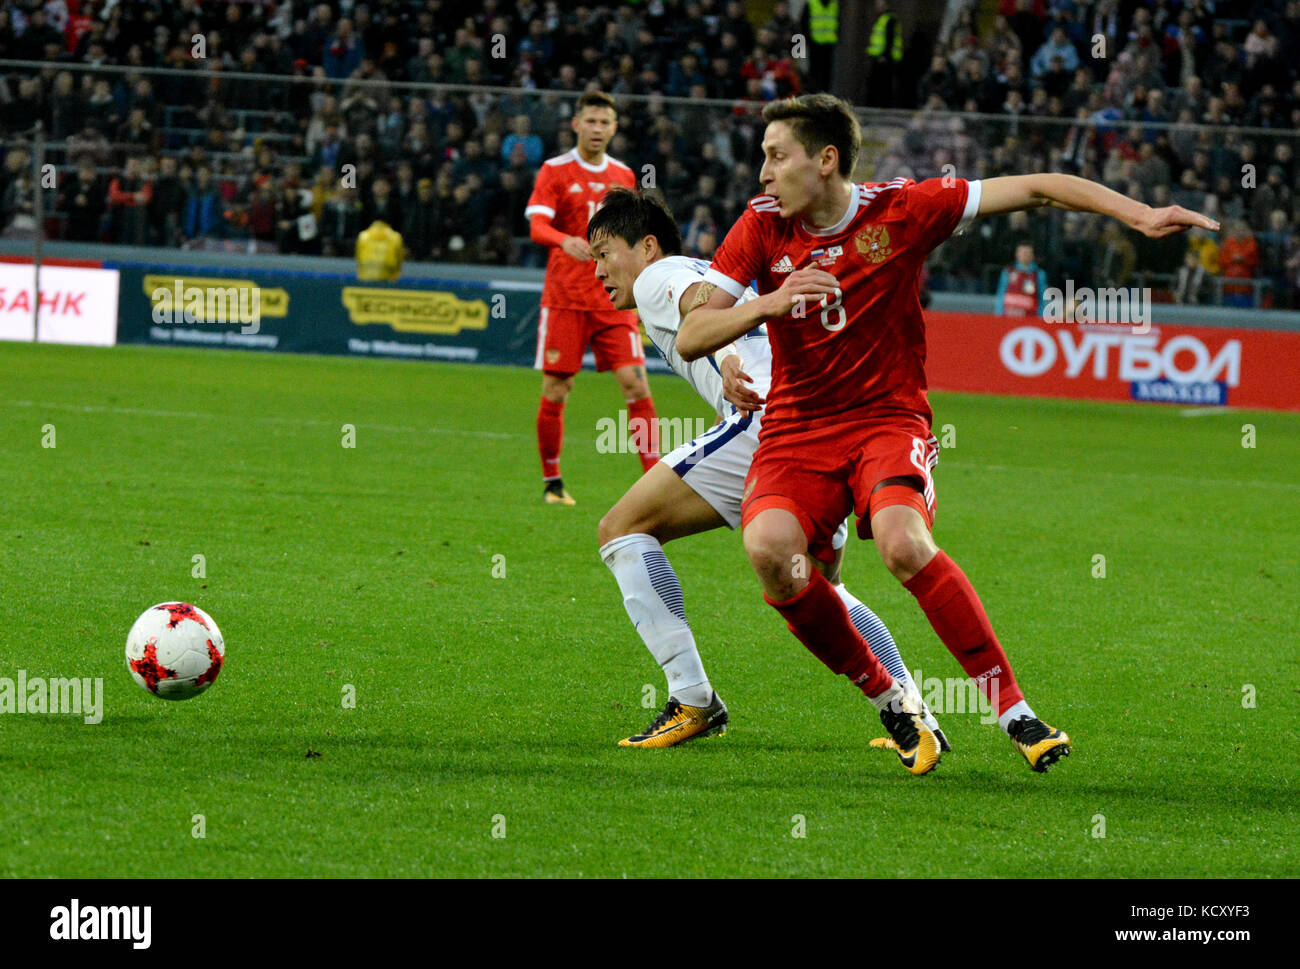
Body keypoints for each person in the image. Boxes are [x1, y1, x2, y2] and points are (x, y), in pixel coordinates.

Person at [677, 94, 1218, 775]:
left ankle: (1015, 711)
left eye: (775, 156)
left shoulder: (903, 208)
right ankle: (893, 699)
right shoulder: (760, 228)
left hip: (885, 418)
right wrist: (769, 302)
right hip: (797, 429)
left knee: (904, 543)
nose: (762, 173)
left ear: (825, 160)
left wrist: (1140, 215)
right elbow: (693, 333)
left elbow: (1039, 188)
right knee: (771, 553)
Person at [587, 187, 946, 750]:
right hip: (815, 426)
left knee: (621, 529)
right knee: (823, 586)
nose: (599, 270)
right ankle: (911, 709)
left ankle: (693, 698)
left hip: (763, 424)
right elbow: (713, 306)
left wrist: (727, 360)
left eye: (605, 252)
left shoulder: (661, 276)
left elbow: (698, 309)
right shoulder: (708, 268)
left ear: (648, 246)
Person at [525, 91, 659, 505]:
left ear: (614, 128)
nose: (598, 129)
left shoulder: (624, 175)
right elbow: (536, 227)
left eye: (605, 123)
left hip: (613, 298)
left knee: (636, 386)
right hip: (565, 298)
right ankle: (553, 483)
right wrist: (565, 240)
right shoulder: (555, 170)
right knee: (557, 388)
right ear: (576, 124)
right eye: (591, 121)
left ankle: (657, 485)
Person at [994, 241, 1047, 317]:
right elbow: (1001, 294)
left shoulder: (1039, 274)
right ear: (1017, 254)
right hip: (1009, 317)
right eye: (1022, 252)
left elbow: (1042, 298)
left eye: (1027, 253)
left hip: (1030, 318)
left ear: (1032, 255)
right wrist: (998, 314)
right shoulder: (1008, 271)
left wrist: (1041, 317)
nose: (1024, 255)